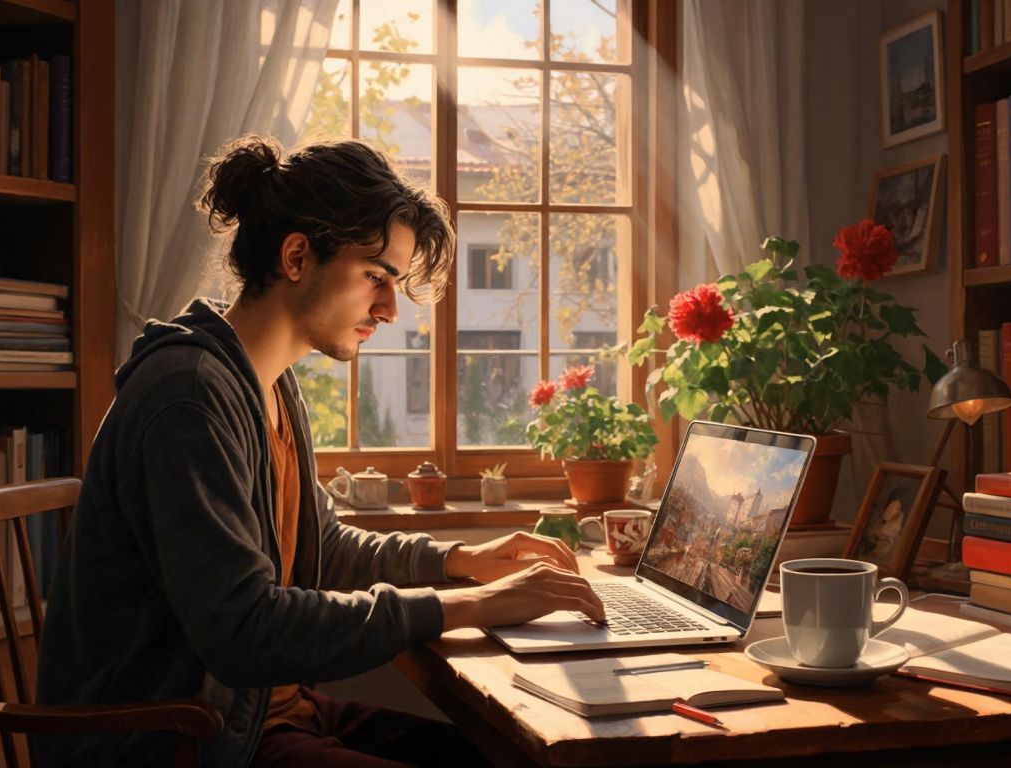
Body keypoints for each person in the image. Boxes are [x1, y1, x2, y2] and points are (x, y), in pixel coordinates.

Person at [34, 135, 605, 767]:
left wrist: (464, 560)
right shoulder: (189, 399)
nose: (390, 310)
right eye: (375, 278)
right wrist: (468, 605)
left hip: (257, 715)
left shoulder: (268, 384)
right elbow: (243, 629)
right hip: (181, 740)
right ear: (298, 256)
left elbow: (321, 549)